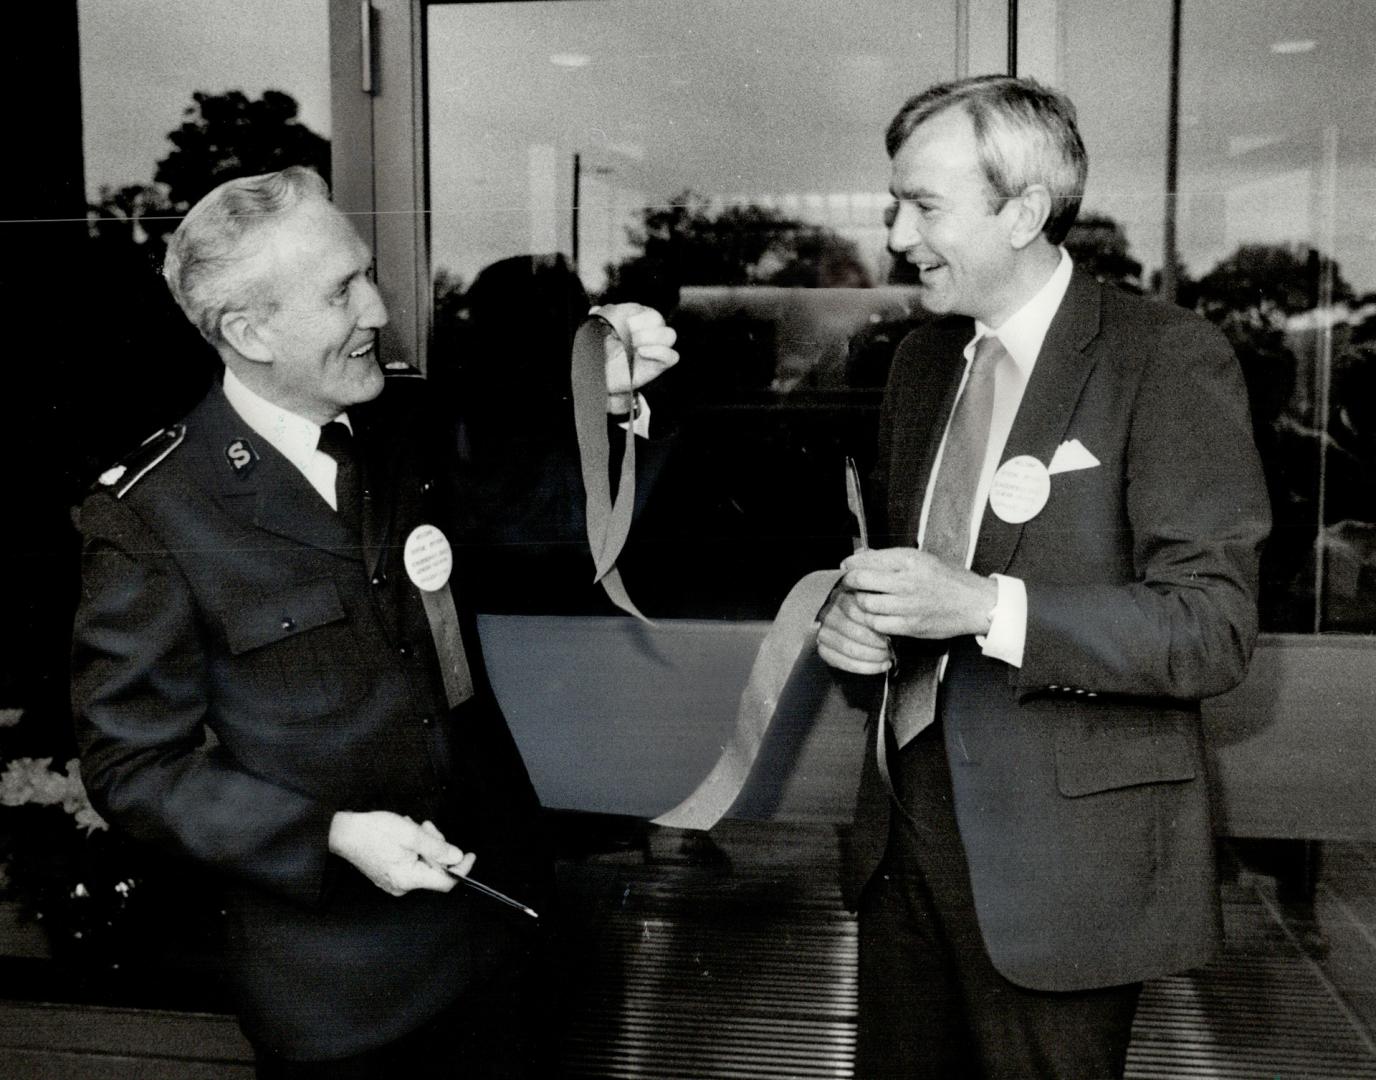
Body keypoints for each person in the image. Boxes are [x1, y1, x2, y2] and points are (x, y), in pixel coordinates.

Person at [71, 165, 677, 1077]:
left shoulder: (403, 429)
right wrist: (329, 835)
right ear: (249, 331)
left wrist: (613, 392)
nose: (379, 311)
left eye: (367, 274)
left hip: (505, 936)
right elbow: (133, 766)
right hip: (345, 996)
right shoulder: (155, 515)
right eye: (341, 290)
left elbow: (548, 515)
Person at [817, 76, 1270, 1079]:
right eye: (894, 203)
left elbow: (1208, 628)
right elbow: (908, 591)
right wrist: (860, 639)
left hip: (1064, 874)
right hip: (900, 843)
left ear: (1023, 210)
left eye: (921, 205)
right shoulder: (921, 365)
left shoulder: (1165, 358)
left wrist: (983, 606)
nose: (896, 235)